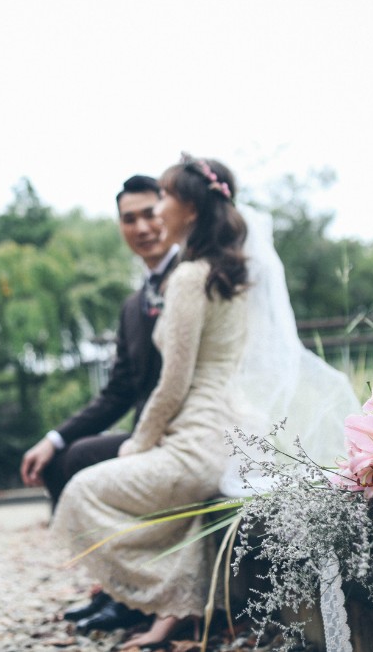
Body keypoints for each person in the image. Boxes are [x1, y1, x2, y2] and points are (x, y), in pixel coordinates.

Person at [53, 155, 250, 649]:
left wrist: (138, 444)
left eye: (163, 197)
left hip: (195, 444)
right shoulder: (229, 273)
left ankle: (135, 594)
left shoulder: (188, 278)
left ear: (187, 207)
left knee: (82, 491)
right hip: (220, 436)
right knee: (172, 505)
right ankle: (172, 611)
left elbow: (174, 383)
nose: (155, 211)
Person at [19, 174, 179, 631]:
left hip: (184, 431)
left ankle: (131, 598)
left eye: (150, 213)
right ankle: (114, 584)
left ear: (167, 213)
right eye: (130, 219)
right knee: (57, 459)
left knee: (85, 460)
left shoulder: (192, 277)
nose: (143, 227)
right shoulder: (132, 306)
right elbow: (118, 392)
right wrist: (52, 438)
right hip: (146, 431)